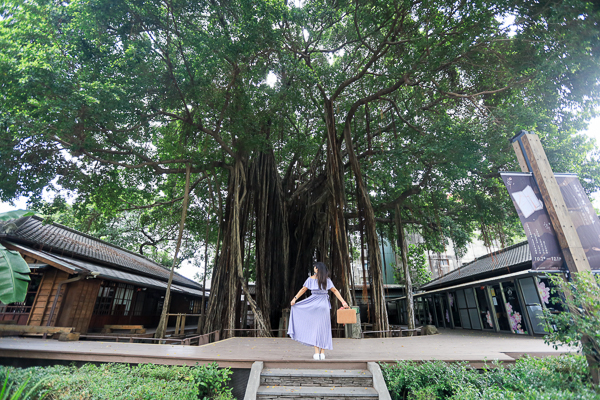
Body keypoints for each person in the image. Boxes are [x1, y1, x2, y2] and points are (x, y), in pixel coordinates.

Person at [287, 261, 349, 360]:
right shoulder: (327, 280)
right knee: (324, 329)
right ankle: (322, 353)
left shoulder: (310, 279)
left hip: (313, 305)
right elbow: (335, 290)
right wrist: (343, 302)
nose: (314, 269)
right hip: (324, 306)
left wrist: (294, 299)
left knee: (315, 328)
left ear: (317, 269)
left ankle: (316, 353)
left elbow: (303, 290)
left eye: (315, 267)